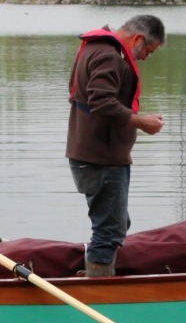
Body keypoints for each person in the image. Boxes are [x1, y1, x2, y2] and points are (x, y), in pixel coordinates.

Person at [66, 14, 166, 277]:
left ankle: (95, 271)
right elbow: (102, 104)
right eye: (148, 51)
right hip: (101, 159)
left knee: (115, 224)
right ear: (138, 39)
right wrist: (142, 123)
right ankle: (98, 293)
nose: (145, 58)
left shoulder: (95, 47)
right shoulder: (110, 56)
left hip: (89, 154)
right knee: (109, 231)